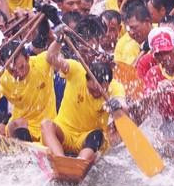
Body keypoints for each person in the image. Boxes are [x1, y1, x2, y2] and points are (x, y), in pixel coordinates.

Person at [40, 33, 126, 162]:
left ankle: (80, 163)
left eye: (100, 90)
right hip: (64, 132)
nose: (96, 93)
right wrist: (58, 41)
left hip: (87, 139)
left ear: (107, 84)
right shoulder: (76, 70)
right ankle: (61, 161)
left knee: (98, 135)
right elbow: (51, 58)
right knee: (46, 124)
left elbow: (123, 106)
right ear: (86, 80)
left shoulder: (115, 87)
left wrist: (117, 105)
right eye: (92, 90)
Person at [0, 39, 58, 143]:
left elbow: (53, 52)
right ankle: (23, 151)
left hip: (47, 126)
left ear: (27, 58)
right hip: (21, 127)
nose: (19, 74)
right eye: (12, 71)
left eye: (22, 67)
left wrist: (59, 39)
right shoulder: (1, 77)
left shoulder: (41, 62)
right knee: (16, 123)